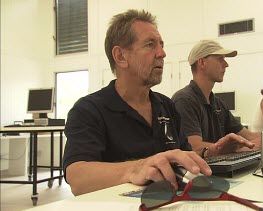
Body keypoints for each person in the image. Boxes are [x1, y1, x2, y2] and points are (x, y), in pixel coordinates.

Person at [62, 10, 211, 196]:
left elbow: (185, 158)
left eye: (161, 45)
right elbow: (77, 177)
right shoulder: (89, 110)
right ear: (121, 57)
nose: (162, 53)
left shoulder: (166, 106)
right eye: (150, 45)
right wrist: (136, 168)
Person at [171, 40, 260, 159]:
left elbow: (248, 136)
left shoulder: (218, 104)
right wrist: (223, 148)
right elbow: (194, 147)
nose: (226, 64)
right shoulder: (184, 100)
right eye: (220, 59)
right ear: (202, 62)